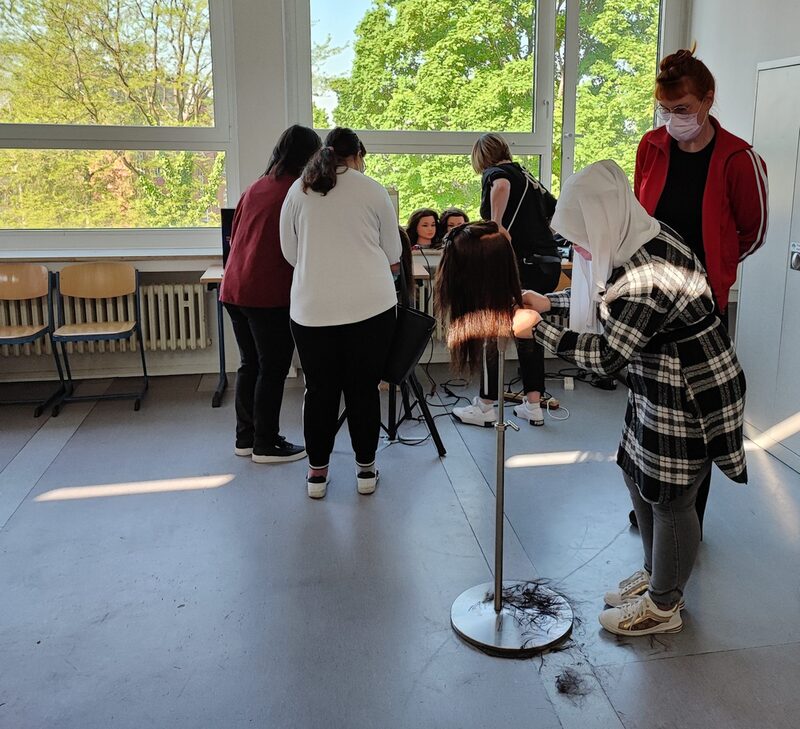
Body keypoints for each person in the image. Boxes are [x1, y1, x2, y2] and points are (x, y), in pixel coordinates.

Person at [521, 160, 747, 636]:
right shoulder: (634, 237)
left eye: (581, 237)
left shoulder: (651, 272)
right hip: (656, 381)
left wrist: (539, 330)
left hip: (687, 388)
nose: (578, 249)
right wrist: (549, 303)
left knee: (671, 497)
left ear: (602, 222)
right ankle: (655, 573)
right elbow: (608, 304)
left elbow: (606, 355)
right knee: (637, 473)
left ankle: (664, 605)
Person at [634, 46, 768, 530]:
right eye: (666, 111)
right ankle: (652, 497)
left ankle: (689, 513)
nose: (674, 120)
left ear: (709, 99)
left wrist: (719, 271)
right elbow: (637, 218)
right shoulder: (651, 146)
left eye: (683, 110)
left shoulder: (737, 158)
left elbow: (752, 231)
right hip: (651, 299)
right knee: (649, 401)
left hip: (702, 307)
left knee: (695, 411)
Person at [280, 127, 401, 500]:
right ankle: (366, 471)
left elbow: (289, 253)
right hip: (371, 308)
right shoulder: (372, 189)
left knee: (319, 391)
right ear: (358, 156)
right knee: (363, 390)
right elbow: (393, 252)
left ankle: (317, 475)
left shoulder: (298, 190)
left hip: (312, 309)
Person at [219, 124, 320, 463]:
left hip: (234, 289)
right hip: (267, 294)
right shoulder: (297, 192)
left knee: (250, 364)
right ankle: (266, 443)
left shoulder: (257, 186)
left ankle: (245, 438)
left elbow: (234, 238)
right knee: (273, 367)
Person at [452, 133, 560, 427]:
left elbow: (500, 185)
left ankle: (485, 405)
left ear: (481, 157)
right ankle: (533, 404)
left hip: (518, 265)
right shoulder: (529, 177)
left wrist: (496, 224)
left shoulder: (496, 173)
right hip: (547, 264)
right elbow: (556, 212)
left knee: (492, 327)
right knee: (527, 327)